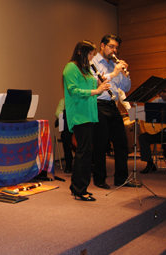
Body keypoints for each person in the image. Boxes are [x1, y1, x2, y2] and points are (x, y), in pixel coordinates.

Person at [63, 40, 110, 201]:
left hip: (89, 114)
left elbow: (93, 92)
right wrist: (96, 89)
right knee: (84, 153)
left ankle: (76, 186)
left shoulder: (87, 70)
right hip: (79, 114)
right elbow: (73, 91)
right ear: (81, 52)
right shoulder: (71, 68)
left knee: (85, 152)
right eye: (90, 53)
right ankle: (79, 189)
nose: (92, 56)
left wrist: (99, 85)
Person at [91, 34, 139, 189]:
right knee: (101, 143)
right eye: (111, 46)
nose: (114, 50)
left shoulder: (114, 65)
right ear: (102, 45)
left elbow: (125, 88)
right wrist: (116, 73)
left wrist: (125, 74)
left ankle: (121, 179)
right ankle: (99, 179)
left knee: (122, 143)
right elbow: (96, 81)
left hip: (112, 105)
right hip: (98, 104)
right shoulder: (92, 63)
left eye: (117, 48)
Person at [139, 83, 166, 174]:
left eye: (165, 91)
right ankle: (150, 164)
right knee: (143, 137)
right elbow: (148, 116)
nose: (161, 94)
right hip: (159, 132)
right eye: (160, 92)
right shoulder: (156, 101)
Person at [55, 98, 73, 173]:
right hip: (68, 128)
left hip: (80, 127)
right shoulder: (63, 101)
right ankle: (69, 164)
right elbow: (57, 113)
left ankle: (91, 163)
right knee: (65, 137)